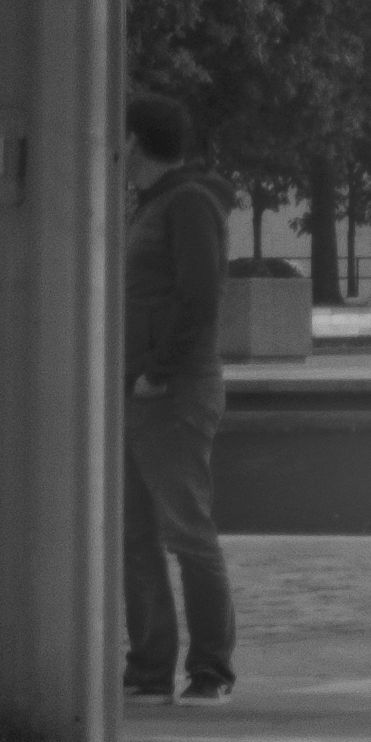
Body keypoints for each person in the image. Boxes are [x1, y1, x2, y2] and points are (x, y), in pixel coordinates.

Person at [120, 94, 236, 706]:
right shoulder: (147, 205)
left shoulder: (189, 202)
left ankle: (211, 669)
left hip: (173, 390)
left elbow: (200, 295)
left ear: (134, 141)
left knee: (187, 531)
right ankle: (147, 669)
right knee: (133, 535)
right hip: (134, 391)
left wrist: (159, 371)